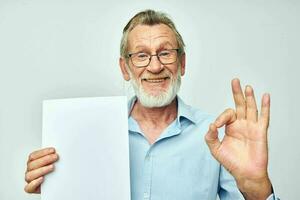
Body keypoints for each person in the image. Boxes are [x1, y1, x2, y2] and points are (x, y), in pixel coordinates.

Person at [24, 10, 279, 200]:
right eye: (141, 55)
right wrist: (55, 185)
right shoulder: (87, 132)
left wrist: (257, 186)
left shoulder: (217, 136)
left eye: (165, 53)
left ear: (182, 63)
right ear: (125, 68)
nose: (155, 66)